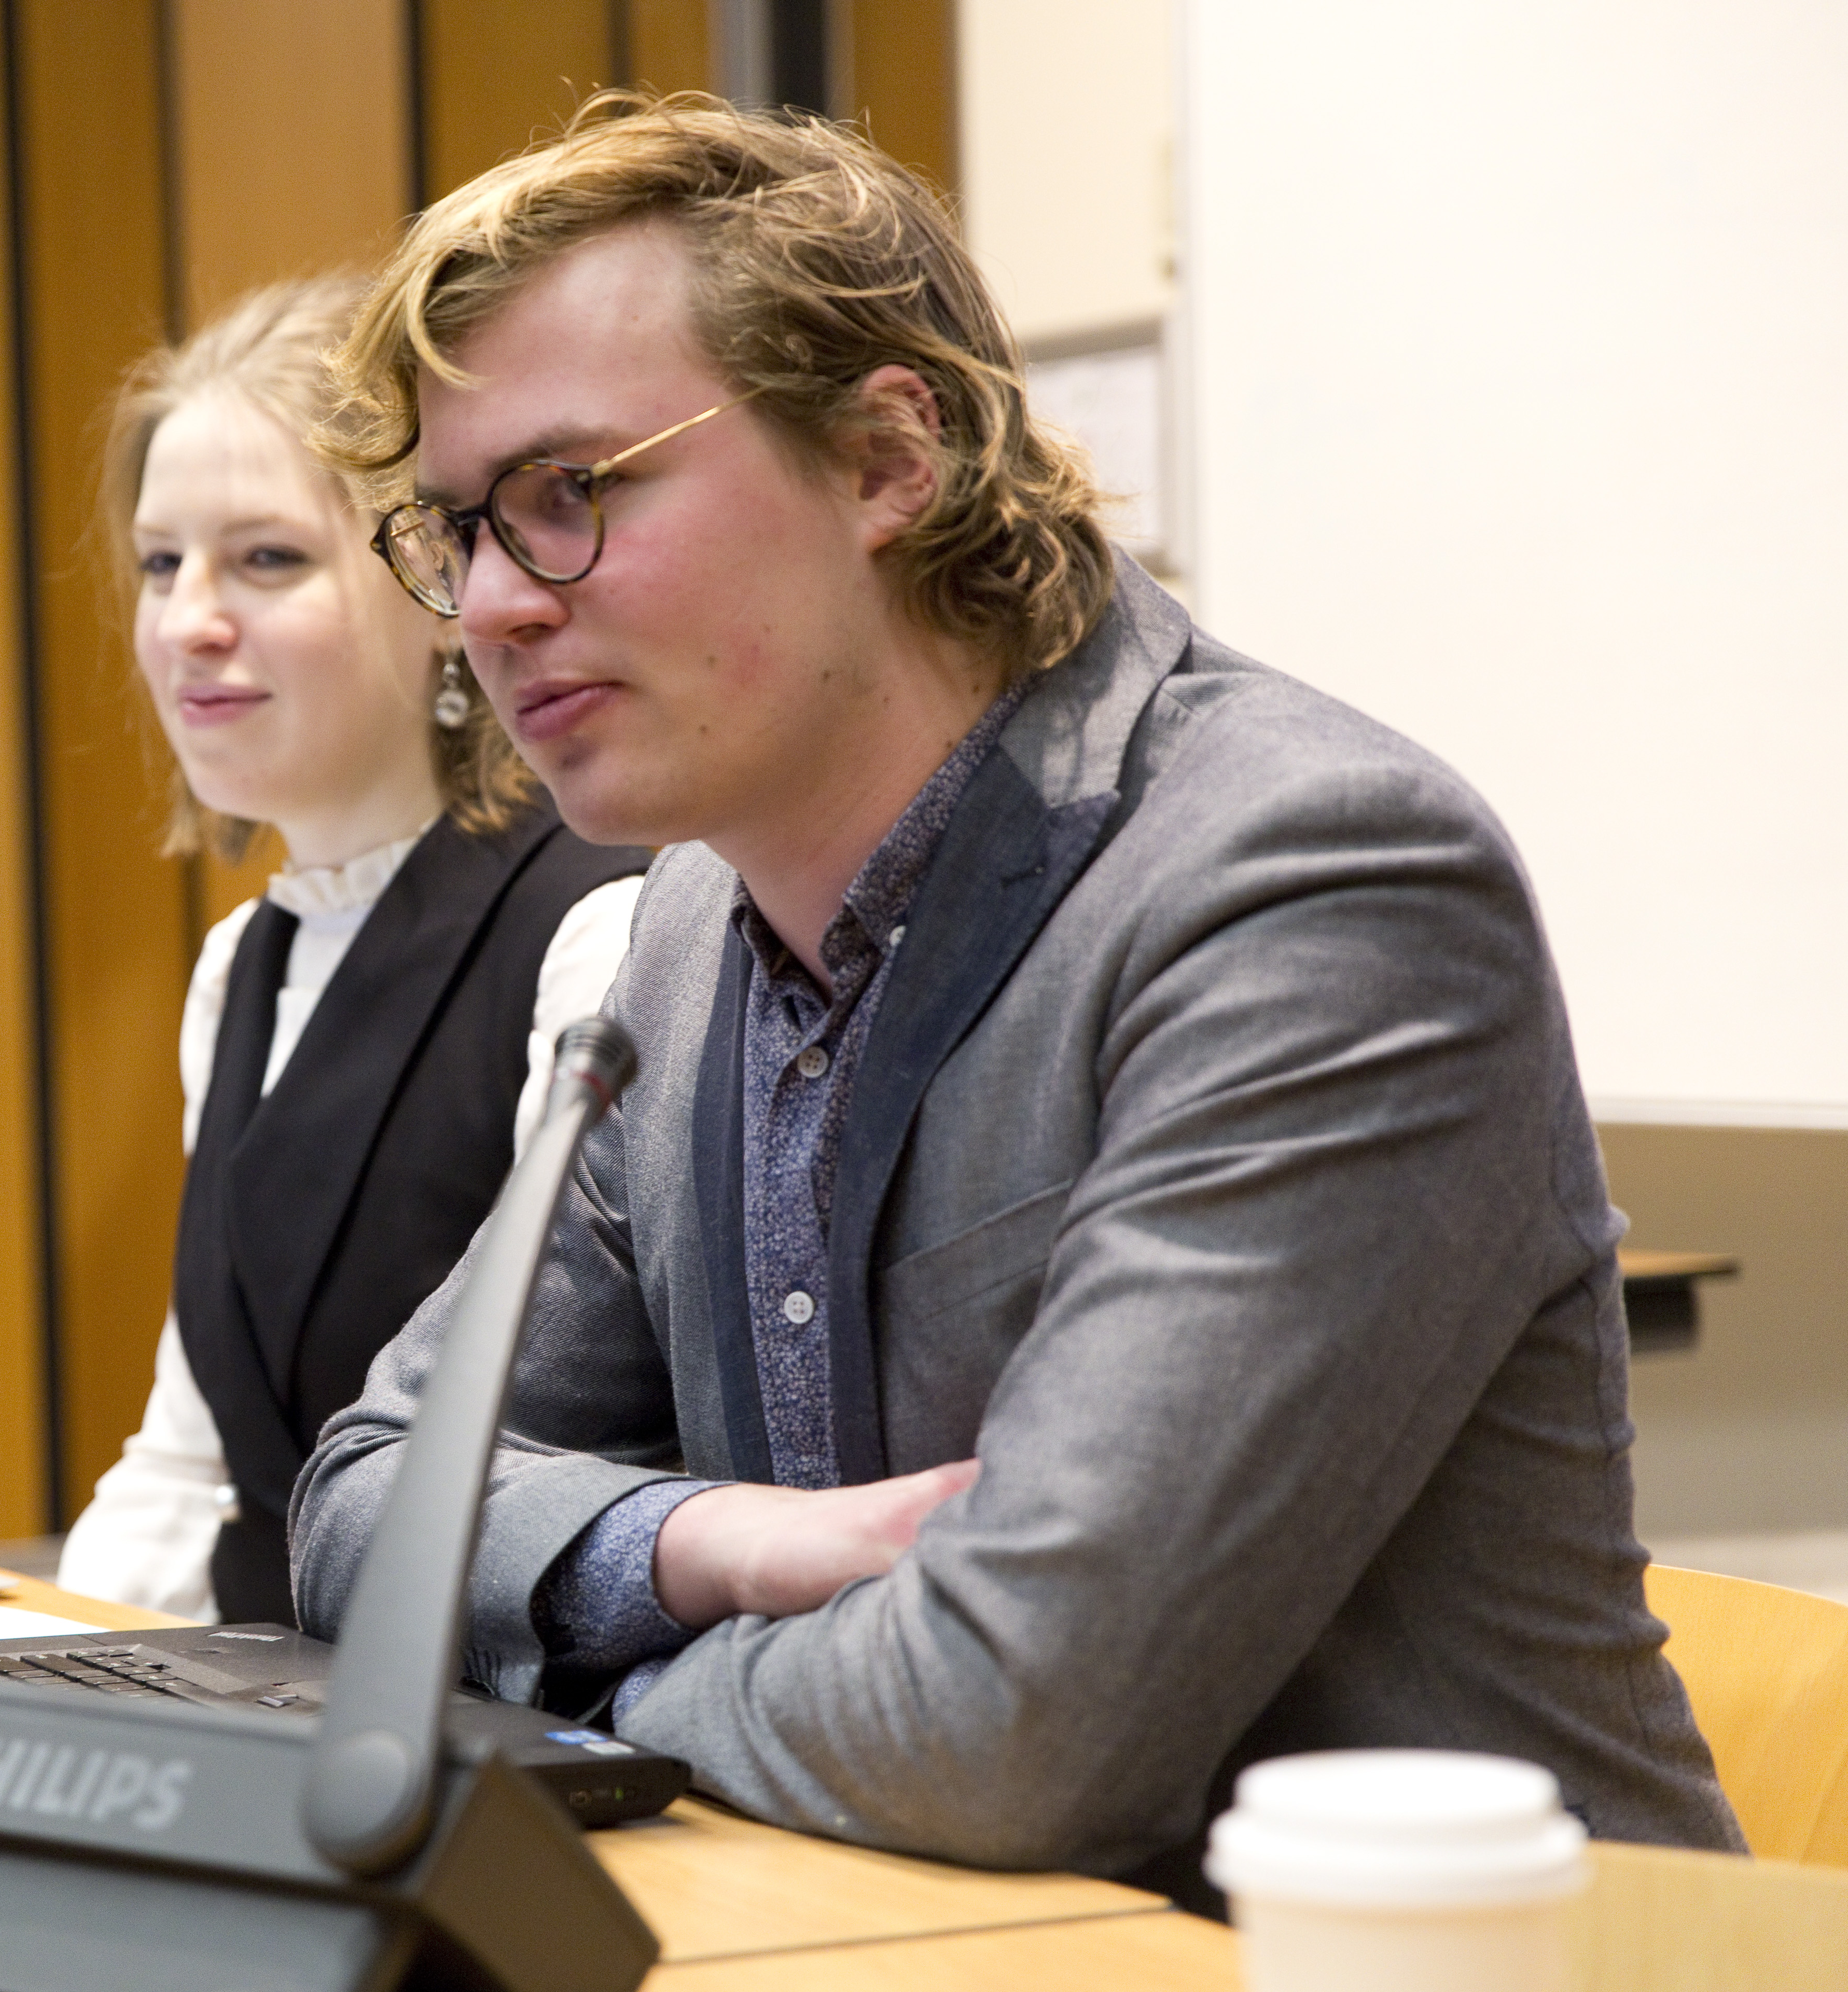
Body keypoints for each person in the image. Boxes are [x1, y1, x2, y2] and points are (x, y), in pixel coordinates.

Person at [290, 95, 1740, 1898]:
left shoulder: (1313, 887)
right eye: (457, 532)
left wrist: (603, 1706)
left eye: (571, 497)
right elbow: (364, 1498)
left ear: (890, 459)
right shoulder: (677, 935)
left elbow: (1014, 1726)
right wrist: (717, 1546)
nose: (493, 605)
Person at [54, 278, 650, 1626]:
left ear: (434, 584)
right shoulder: (241, 969)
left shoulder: (595, 929)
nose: (188, 621)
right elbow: (187, 1466)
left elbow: (553, 1458)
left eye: (266, 560)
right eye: (161, 564)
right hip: (251, 1696)